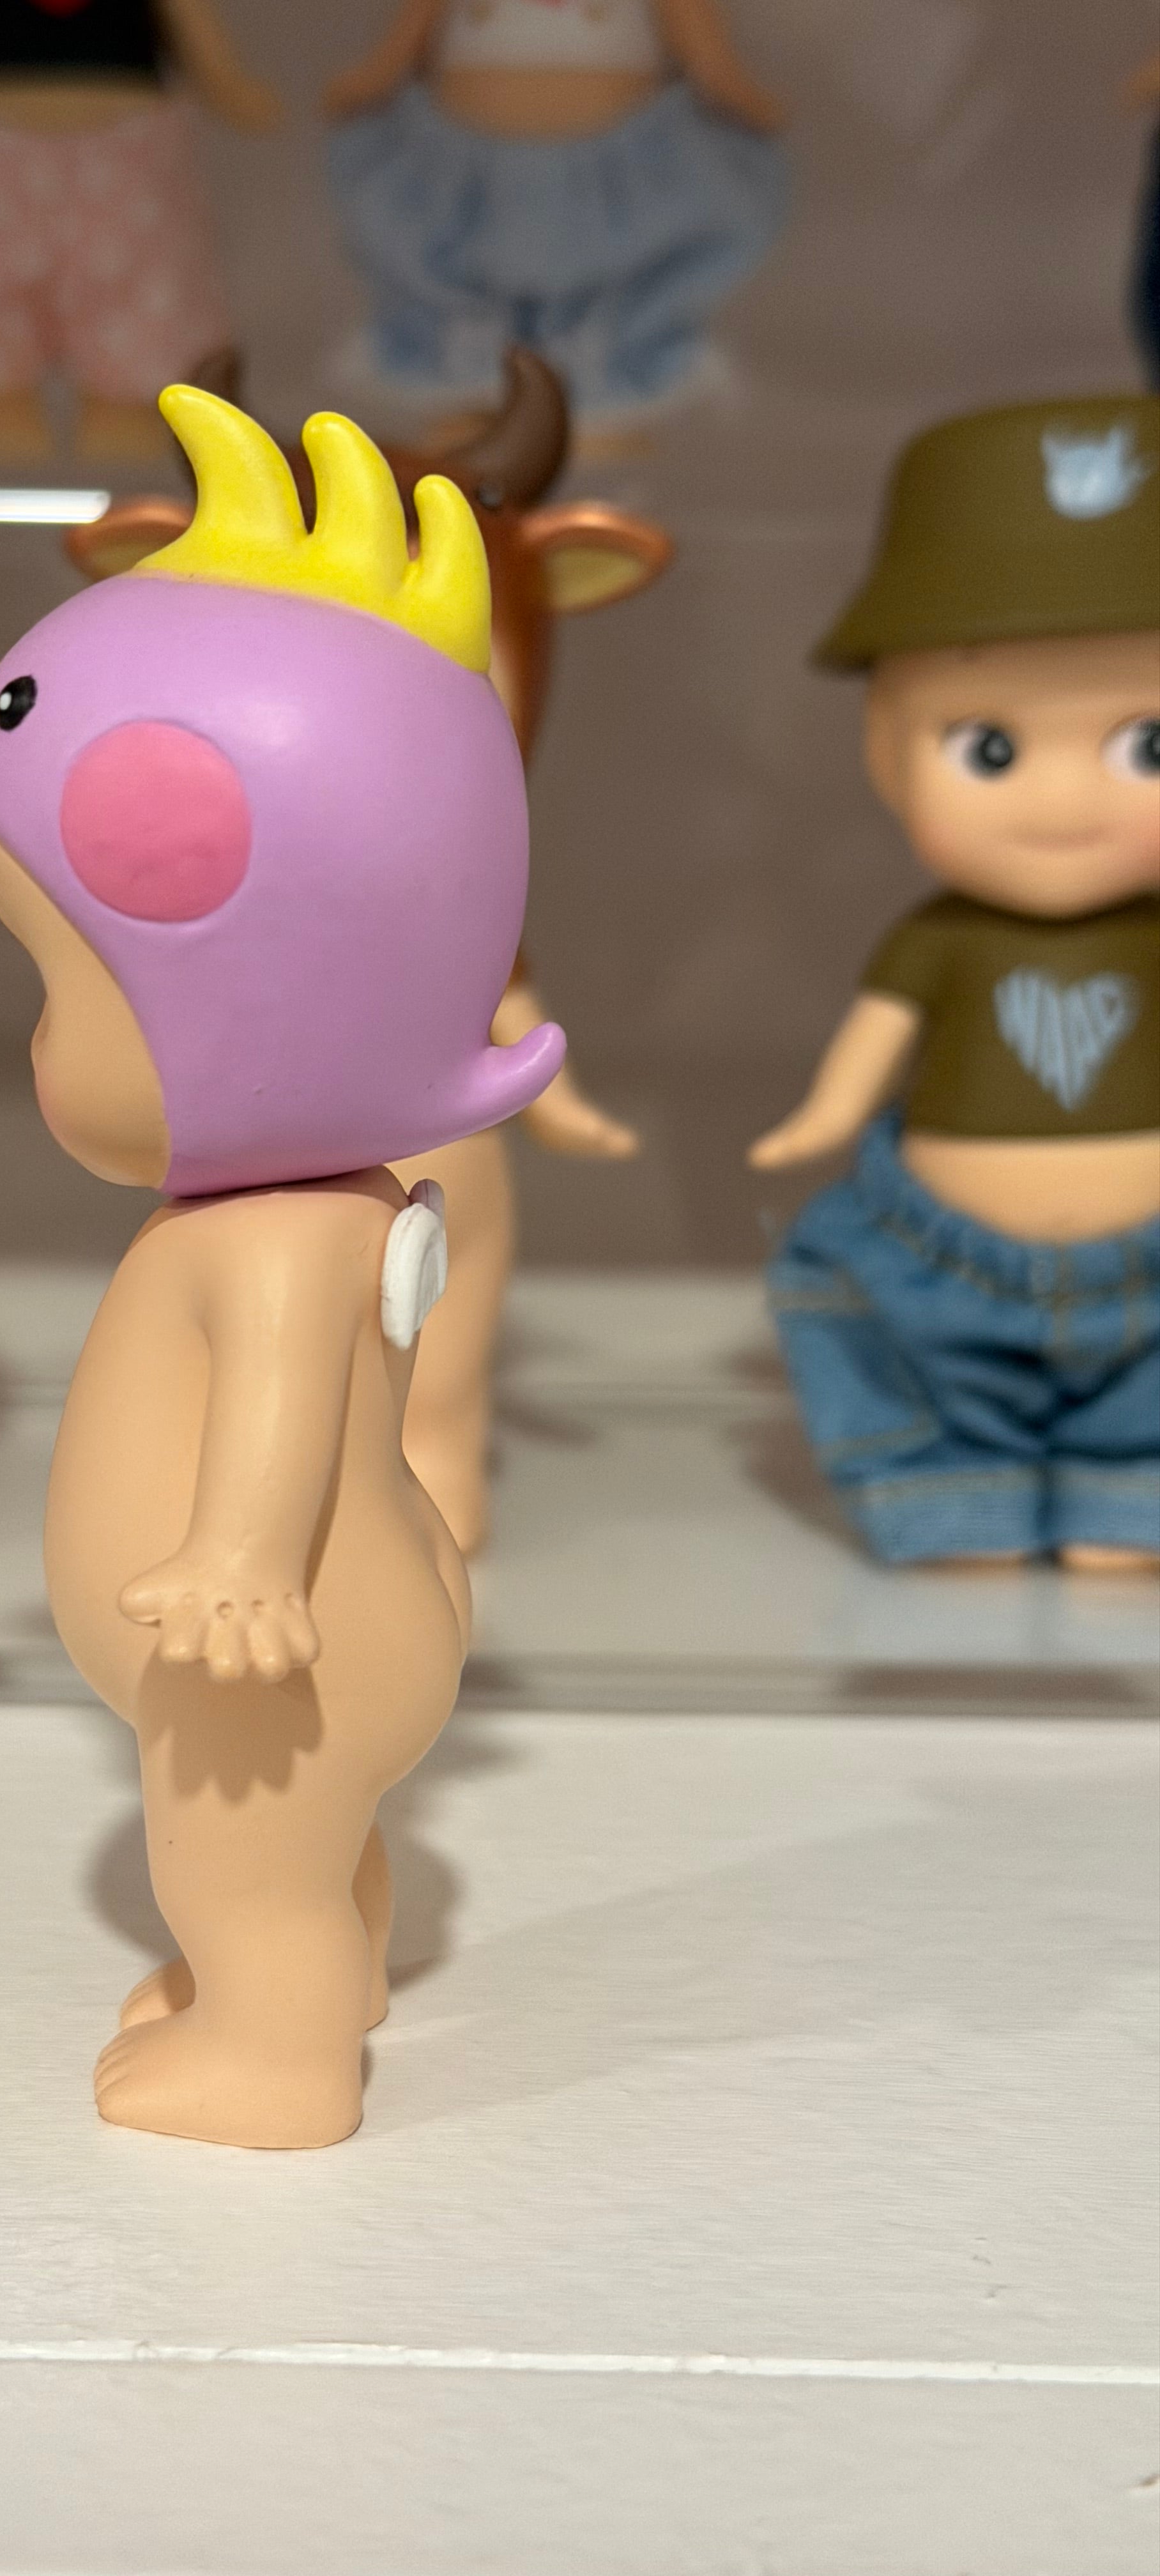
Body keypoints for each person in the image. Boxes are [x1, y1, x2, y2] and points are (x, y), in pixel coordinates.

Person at [0, 385, 563, 2144]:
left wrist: (241, 1560)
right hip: (360, 1614)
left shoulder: (270, 1239)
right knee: (307, 1830)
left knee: (237, 1853)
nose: (49, 1047)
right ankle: (334, 1954)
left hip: (276, 1633)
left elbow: (280, 1390)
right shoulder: (345, 1201)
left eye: (60, 984)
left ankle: (278, 2049)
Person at [751, 396, 1160, 1572]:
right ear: (884, 751)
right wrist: (823, 1119)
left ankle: (1127, 1491)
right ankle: (953, 1486)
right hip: (940, 1261)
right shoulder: (937, 940)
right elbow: (874, 1038)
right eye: (989, 748)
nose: (1063, 804)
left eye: (1147, 745)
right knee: (860, 1310)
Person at [323, 0, 788, 445]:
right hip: (468, 170)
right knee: (437, 251)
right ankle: (468, 383)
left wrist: (730, 88)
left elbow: (698, 39)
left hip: (612, 172)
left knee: (624, 266)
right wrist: (377, 75)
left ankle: (594, 387)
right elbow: (413, 29)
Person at [0, 0, 277, 461]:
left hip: (124, 167)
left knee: (128, 386)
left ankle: (121, 502)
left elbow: (202, 40)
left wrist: (232, 87)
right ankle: (3, 500)